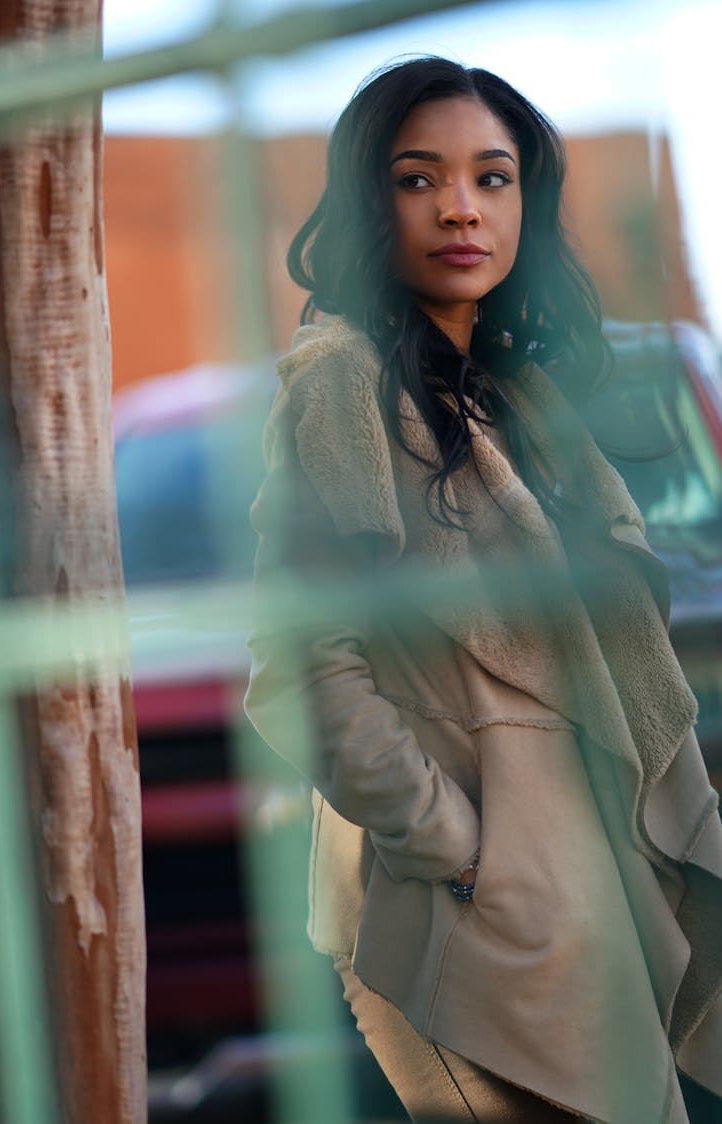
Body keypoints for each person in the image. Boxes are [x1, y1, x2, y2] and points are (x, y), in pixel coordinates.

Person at [244, 57, 722, 1123]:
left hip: (585, 877)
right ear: (372, 200)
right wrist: (451, 844)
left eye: (492, 177)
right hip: (460, 893)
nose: (461, 205)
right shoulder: (341, 386)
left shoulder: (521, 405)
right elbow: (303, 666)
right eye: (419, 178)